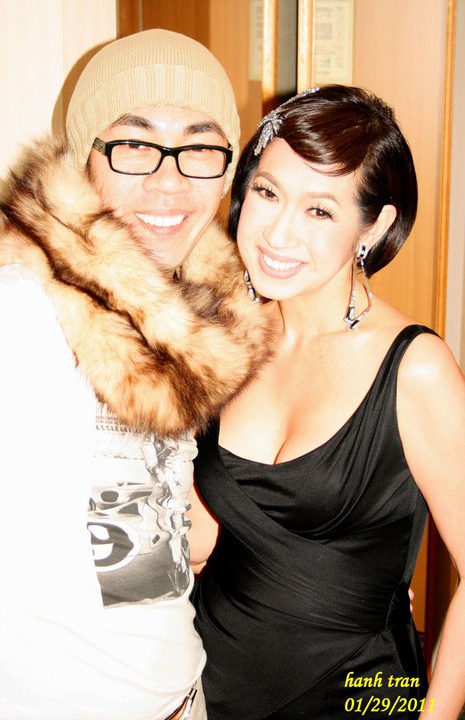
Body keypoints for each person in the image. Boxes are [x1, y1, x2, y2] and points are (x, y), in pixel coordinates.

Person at [0, 29, 272, 720]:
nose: (168, 181)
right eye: (135, 144)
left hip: (184, 696)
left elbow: (150, 549)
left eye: (198, 147)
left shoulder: (192, 326)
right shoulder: (16, 311)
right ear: (85, 160)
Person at [189, 85, 465, 719]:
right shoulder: (228, 337)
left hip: (363, 697)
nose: (278, 232)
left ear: (375, 226)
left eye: (319, 210)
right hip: (207, 688)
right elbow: (200, 540)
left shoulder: (415, 369)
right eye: (268, 193)